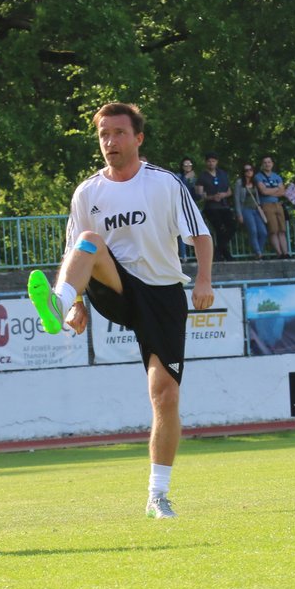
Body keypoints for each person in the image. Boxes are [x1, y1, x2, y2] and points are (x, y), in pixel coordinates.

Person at [27, 102, 214, 520]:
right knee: (90, 239)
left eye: (118, 133)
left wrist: (203, 279)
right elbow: (75, 249)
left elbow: (200, 235)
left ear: (138, 138)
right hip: (114, 286)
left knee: (164, 395)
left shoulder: (165, 183)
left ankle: (157, 495)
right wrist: (76, 302)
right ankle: (56, 304)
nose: (110, 142)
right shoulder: (88, 192)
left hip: (163, 294)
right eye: (103, 135)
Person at [195, 152, 235, 261]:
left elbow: (229, 191)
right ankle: (224, 255)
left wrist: (224, 195)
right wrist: (212, 197)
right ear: (206, 162)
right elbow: (200, 194)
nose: (211, 163)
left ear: (216, 162)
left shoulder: (222, 174)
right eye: (209, 161)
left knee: (232, 227)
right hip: (211, 207)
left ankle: (218, 252)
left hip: (224, 206)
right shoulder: (202, 176)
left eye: (213, 161)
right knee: (219, 230)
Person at [255, 155, 289, 259]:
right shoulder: (258, 176)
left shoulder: (277, 176)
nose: (267, 164)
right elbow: (263, 191)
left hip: (278, 204)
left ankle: (286, 253)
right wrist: (276, 189)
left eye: (269, 162)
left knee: (282, 230)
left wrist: (270, 191)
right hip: (266, 205)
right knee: (273, 230)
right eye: (265, 162)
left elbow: (283, 192)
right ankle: (279, 253)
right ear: (262, 164)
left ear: (272, 164)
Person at [233, 163, 267, 259]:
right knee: (253, 230)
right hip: (245, 209)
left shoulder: (255, 182)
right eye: (246, 170)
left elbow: (257, 197)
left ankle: (258, 252)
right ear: (243, 172)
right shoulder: (239, 183)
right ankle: (258, 252)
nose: (249, 172)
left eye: (250, 170)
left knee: (263, 232)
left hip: (256, 210)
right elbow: (236, 199)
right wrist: (239, 214)